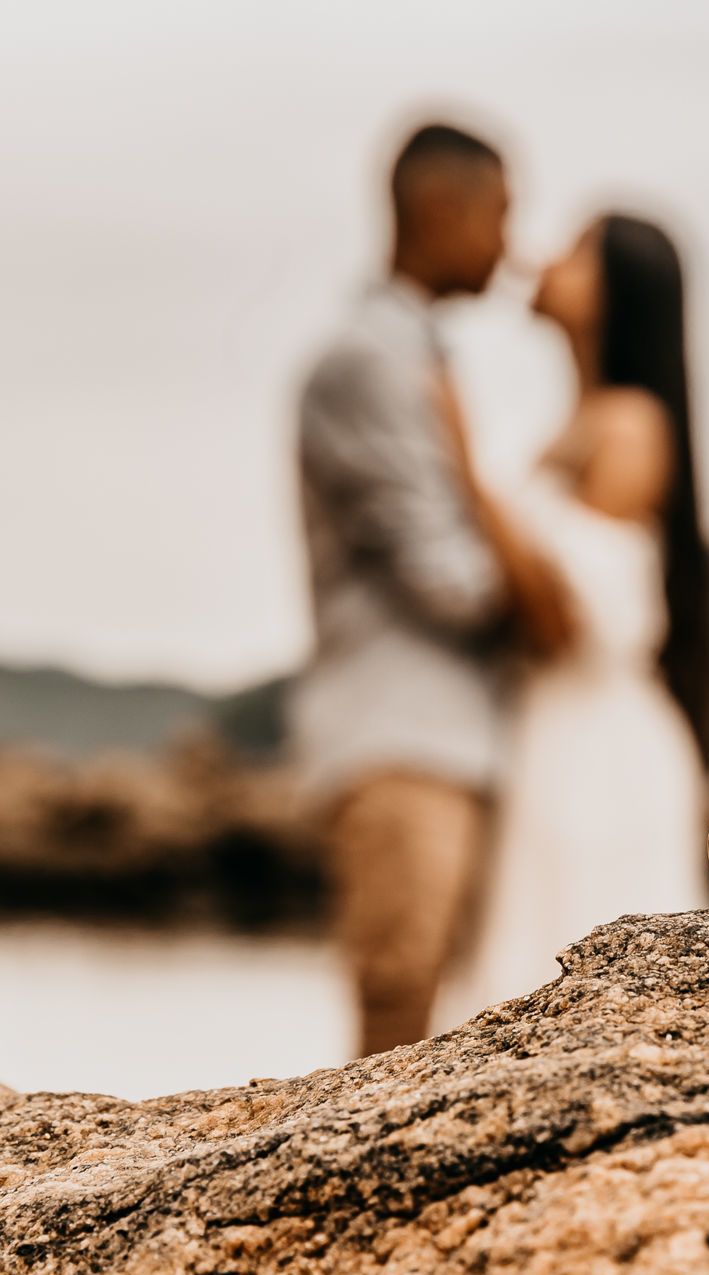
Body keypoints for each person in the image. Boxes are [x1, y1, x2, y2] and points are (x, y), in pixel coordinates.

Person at [436, 213, 709, 1023]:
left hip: (595, 752)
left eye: (575, 248)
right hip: (549, 731)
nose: (544, 256)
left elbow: (578, 618)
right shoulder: (581, 422)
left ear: (612, 291)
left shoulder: (627, 425)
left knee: (576, 988)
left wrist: (463, 472)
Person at [288, 122, 514, 1057]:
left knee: (425, 1019)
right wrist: (561, 580)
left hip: (443, 737)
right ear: (439, 209)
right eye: (501, 215)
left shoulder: (406, 355)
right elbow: (450, 581)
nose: (510, 245)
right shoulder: (367, 362)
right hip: (399, 736)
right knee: (395, 1020)